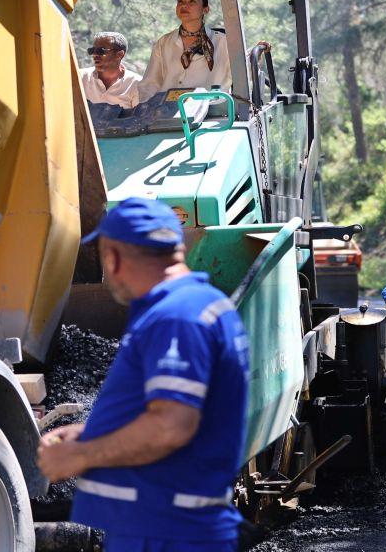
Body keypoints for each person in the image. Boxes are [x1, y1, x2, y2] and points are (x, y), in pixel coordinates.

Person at [36, 197, 250, 552]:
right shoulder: (194, 307)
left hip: (166, 533)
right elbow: (177, 414)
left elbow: (171, 426)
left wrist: (81, 455)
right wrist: (91, 432)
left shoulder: (176, 317)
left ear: (113, 257)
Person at [139, 0, 232, 101]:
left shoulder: (223, 43)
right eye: (180, 1)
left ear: (205, 10)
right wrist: (148, 107)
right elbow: (150, 83)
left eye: (192, 1)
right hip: (167, 109)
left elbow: (242, 73)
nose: (184, 5)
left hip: (209, 107)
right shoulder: (164, 42)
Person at [80, 32, 141, 109]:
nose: (95, 54)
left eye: (101, 51)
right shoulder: (79, 77)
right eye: (92, 50)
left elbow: (141, 116)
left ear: (120, 54)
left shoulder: (137, 85)